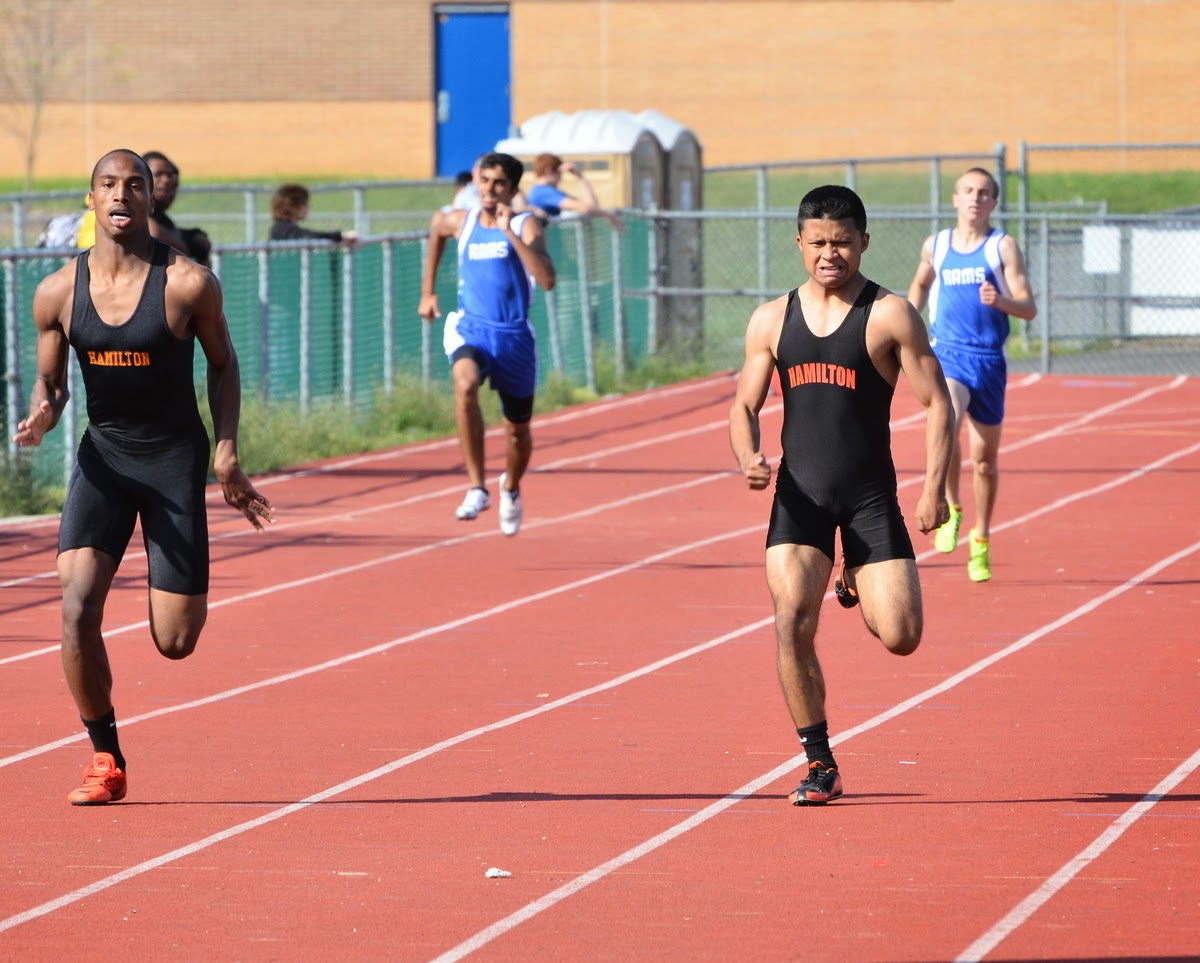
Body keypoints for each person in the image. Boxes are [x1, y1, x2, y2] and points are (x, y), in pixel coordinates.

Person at [13, 149, 275, 806]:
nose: (121, 194)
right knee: (75, 607)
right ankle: (105, 756)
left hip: (172, 461)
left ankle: (168, 589)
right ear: (91, 199)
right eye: (108, 184)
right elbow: (52, 380)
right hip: (103, 459)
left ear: (151, 200)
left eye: (135, 184)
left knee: (176, 641)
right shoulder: (57, 292)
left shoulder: (188, 284)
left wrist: (226, 451)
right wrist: (45, 410)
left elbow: (223, 363)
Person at [728, 184, 953, 806]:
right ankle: (819, 760)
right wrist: (749, 456)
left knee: (902, 635)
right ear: (800, 243)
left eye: (843, 242)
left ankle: (853, 572)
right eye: (819, 243)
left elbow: (938, 405)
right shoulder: (772, 319)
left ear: (864, 242)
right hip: (799, 497)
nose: (831, 254)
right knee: (792, 622)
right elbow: (744, 405)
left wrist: (934, 488)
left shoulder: (889, 314)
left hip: (869, 499)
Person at [907, 167, 1037, 582]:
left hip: (989, 360)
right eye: (968, 191)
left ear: (993, 202)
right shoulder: (938, 245)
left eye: (983, 193)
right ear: (955, 198)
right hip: (948, 353)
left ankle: (981, 539)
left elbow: (1028, 307)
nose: (975, 198)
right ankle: (950, 505)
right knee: (948, 418)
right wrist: (907, 327)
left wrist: (1000, 301)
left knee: (984, 462)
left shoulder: (1003, 247)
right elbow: (920, 286)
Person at [417, 151, 556, 537]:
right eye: (484, 181)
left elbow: (546, 280)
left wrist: (510, 232)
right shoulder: (461, 223)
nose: (490, 190)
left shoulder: (528, 225)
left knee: (517, 433)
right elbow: (437, 227)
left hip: (513, 339)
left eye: (499, 184)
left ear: (512, 189)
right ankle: (477, 487)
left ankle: (510, 486)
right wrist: (427, 292)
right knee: (464, 384)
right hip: (471, 328)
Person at [143, 151, 212, 266]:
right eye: (158, 174)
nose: (166, 180)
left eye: (170, 176)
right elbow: (153, 235)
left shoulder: (163, 219)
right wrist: (184, 243)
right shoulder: (134, 212)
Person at [526, 153, 623, 229]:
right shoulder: (543, 192)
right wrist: (608, 215)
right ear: (549, 170)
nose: (560, 178)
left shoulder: (547, 192)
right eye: (559, 173)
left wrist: (581, 178)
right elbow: (585, 208)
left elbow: (591, 205)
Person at [268, 183, 357, 244]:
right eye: (304, 202)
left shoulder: (284, 227)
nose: (308, 206)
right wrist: (341, 236)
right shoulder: (282, 229)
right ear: (291, 206)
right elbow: (309, 236)